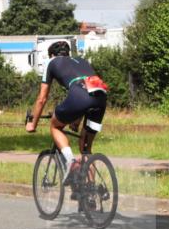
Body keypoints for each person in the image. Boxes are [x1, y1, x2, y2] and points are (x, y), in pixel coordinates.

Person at [26, 40, 108, 181]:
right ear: (68, 53)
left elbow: (42, 99)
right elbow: (88, 93)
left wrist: (33, 124)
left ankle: (70, 162)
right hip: (101, 98)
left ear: (51, 55)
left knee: (55, 126)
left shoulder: (51, 62)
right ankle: (91, 192)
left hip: (80, 96)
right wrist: (76, 120)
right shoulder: (81, 60)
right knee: (86, 148)